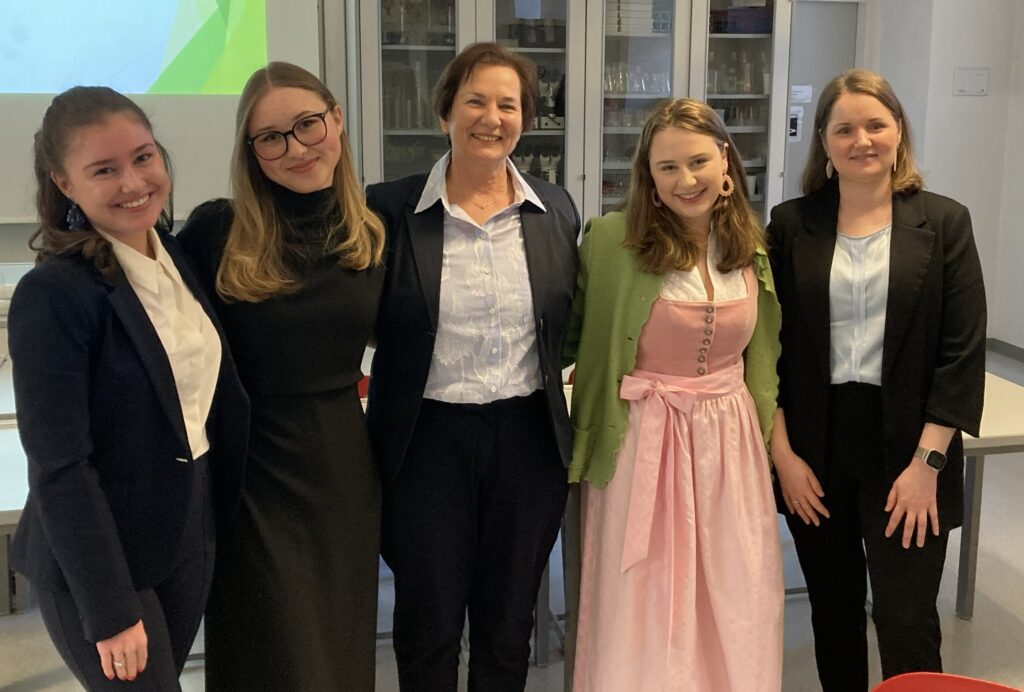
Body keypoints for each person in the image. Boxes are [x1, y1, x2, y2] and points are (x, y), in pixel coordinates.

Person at [8, 86, 249, 690]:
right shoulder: (54, 294)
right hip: (102, 560)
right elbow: (60, 467)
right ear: (64, 184)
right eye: (104, 170)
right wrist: (111, 611)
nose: (134, 182)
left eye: (143, 157)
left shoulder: (175, 256)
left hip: (185, 532)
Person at [365, 42, 580, 691]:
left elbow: (568, 326)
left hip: (528, 443)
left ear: (525, 119)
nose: (492, 117)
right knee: (428, 627)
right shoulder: (388, 209)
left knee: (508, 629)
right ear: (445, 113)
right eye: (475, 101)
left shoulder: (555, 210)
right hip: (426, 444)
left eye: (508, 105)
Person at [766, 69, 986, 691]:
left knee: (906, 619)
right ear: (824, 141)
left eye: (875, 125)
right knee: (832, 613)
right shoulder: (790, 224)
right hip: (816, 447)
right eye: (844, 129)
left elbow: (962, 351)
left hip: (911, 448)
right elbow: (766, 350)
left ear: (898, 132)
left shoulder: (944, 222)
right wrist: (782, 457)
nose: (861, 140)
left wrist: (927, 465)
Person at [176, 62, 386, 690]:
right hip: (252, 468)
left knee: (339, 648)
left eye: (307, 125)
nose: (296, 148)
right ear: (251, 151)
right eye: (271, 137)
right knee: (272, 652)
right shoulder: (217, 231)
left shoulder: (373, 231)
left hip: (344, 467)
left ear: (336, 120)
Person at [565, 98, 783, 692]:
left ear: (725, 162)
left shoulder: (750, 246)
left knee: (734, 589)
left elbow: (766, 359)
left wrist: (777, 445)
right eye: (668, 167)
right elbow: (567, 335)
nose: (686, 180)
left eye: (698, 161)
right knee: (644, 594)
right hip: (641, 441)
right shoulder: (612, 241)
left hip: (730, 445)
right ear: (649, 176)